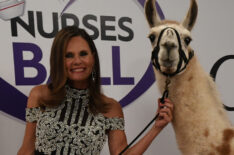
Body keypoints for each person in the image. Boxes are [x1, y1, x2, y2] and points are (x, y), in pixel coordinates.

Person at [17, 26, 174, 155]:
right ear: (59, 60)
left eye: (83, 54)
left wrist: (156, 128)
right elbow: (26, 149)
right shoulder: (40, 95)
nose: (77, 61)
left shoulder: (110, 108)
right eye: (69, 55)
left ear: (93, 57)